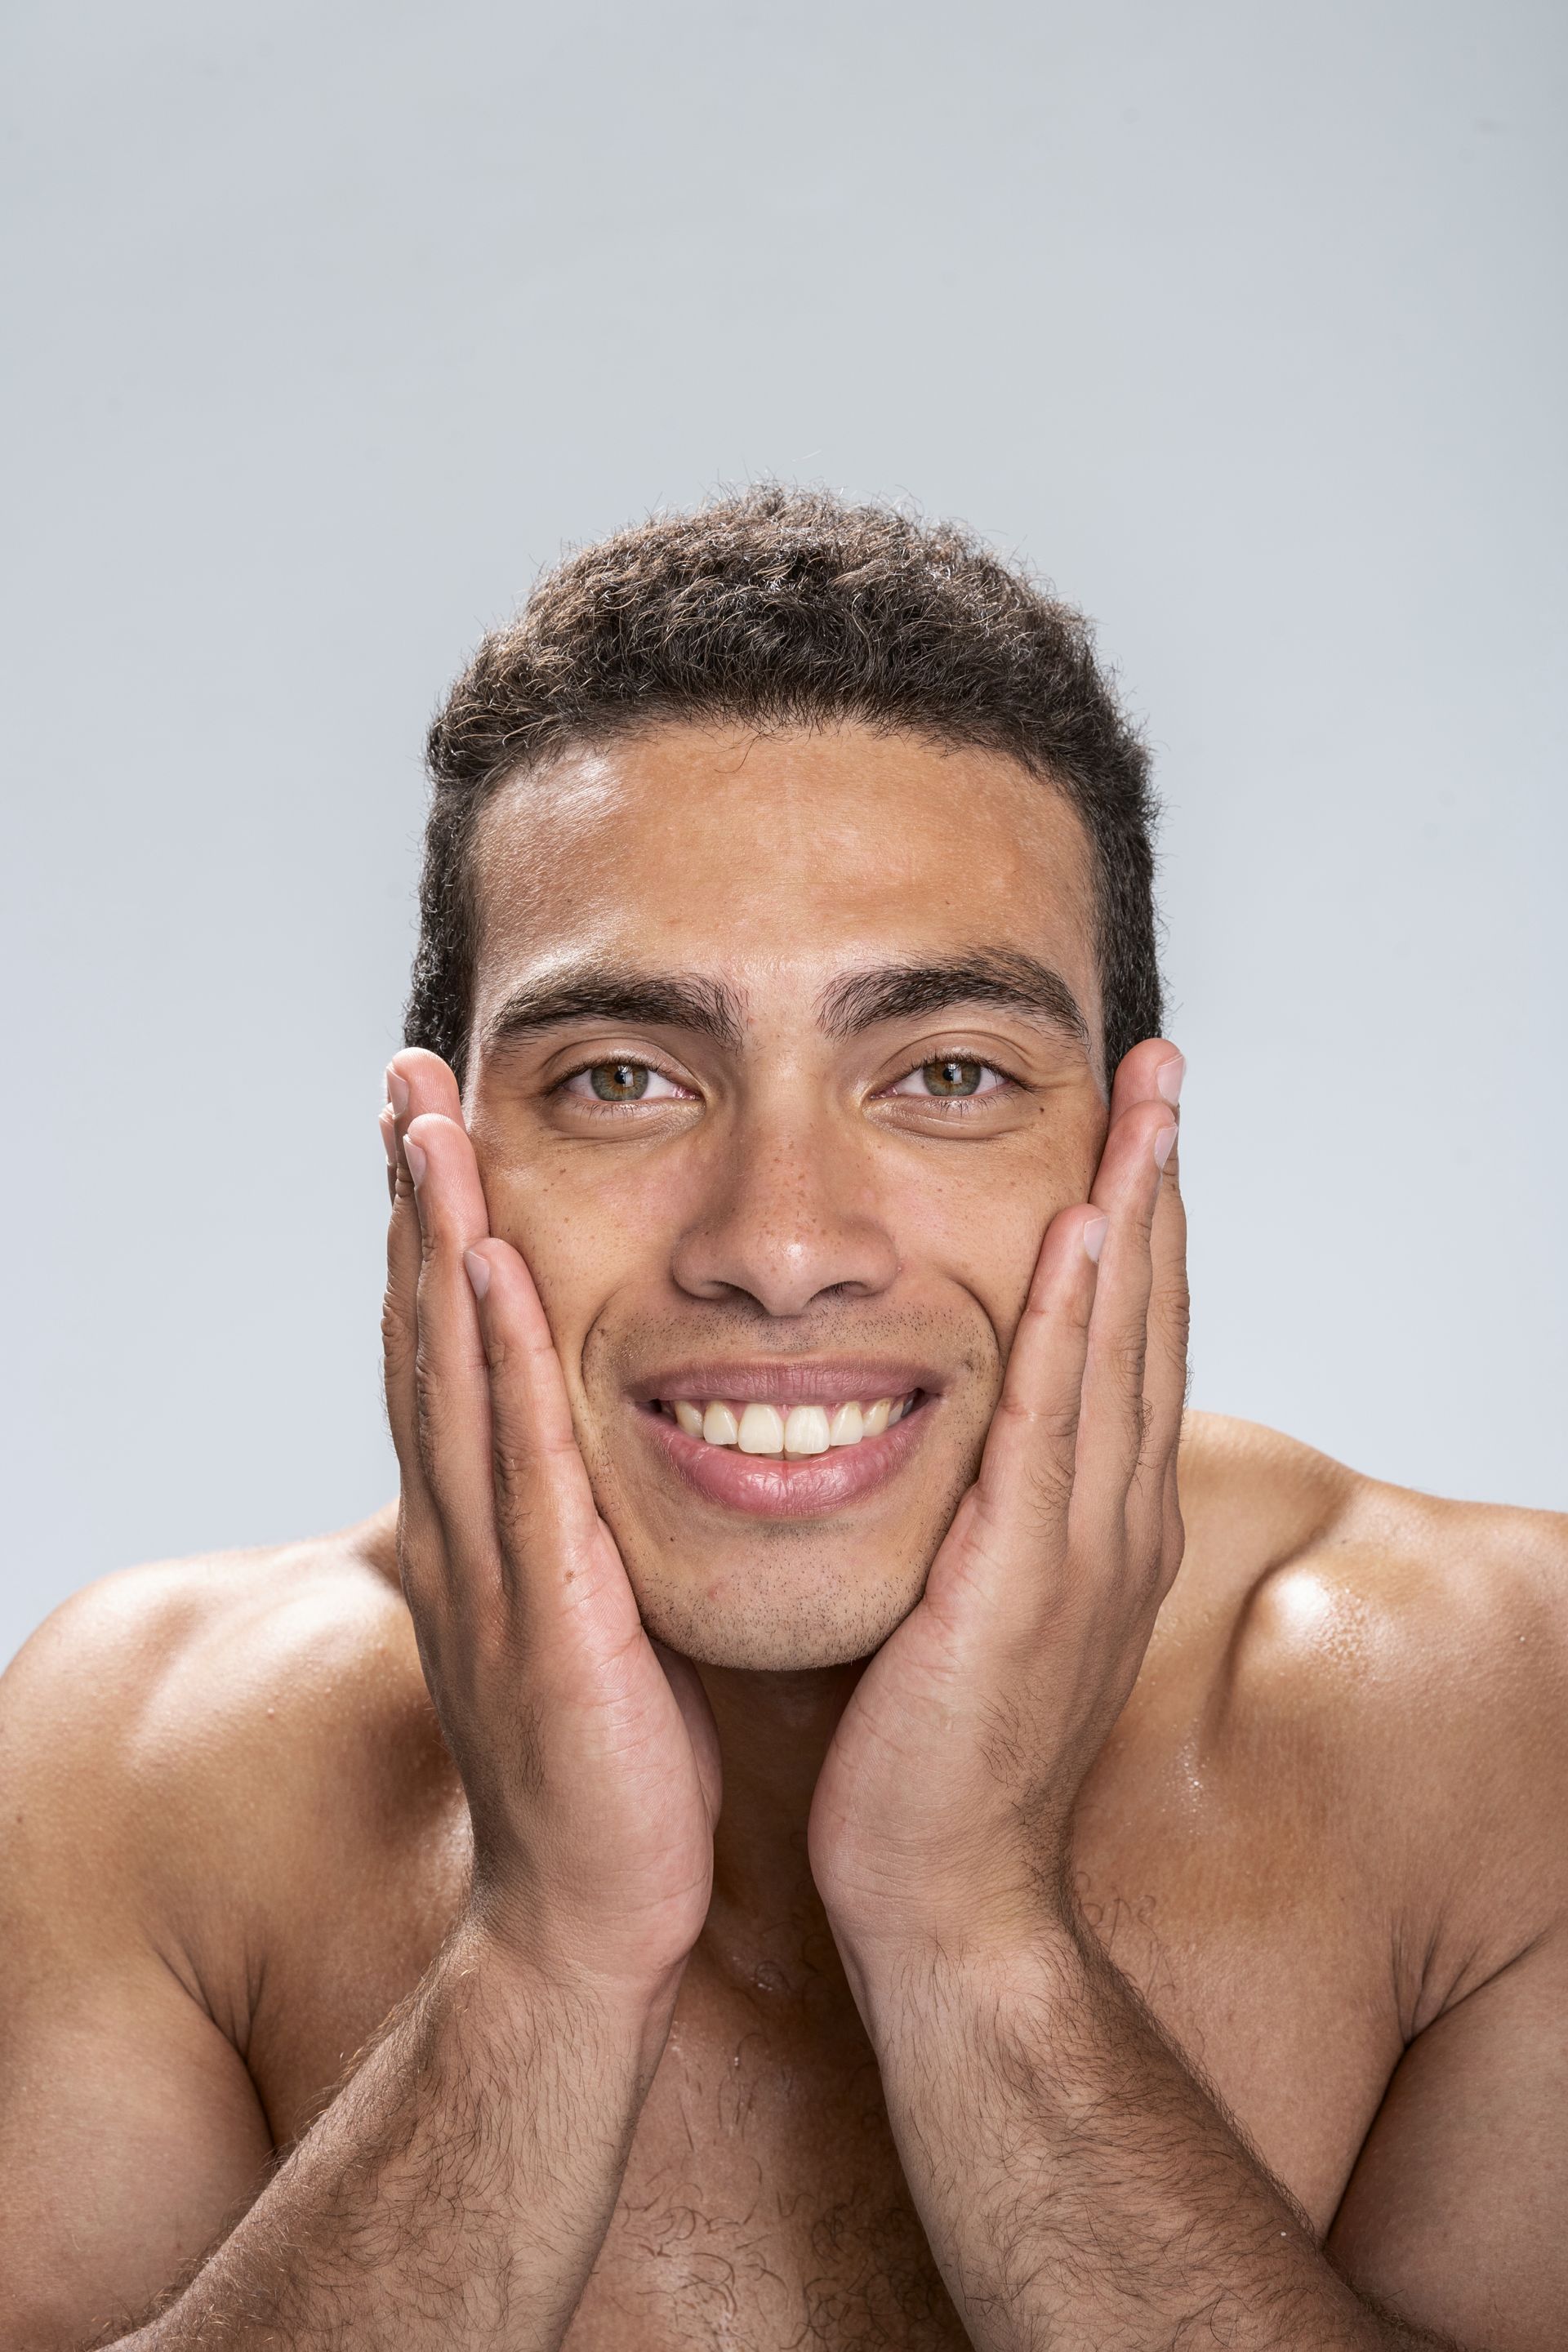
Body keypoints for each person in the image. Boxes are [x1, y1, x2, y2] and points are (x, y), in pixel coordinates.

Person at [2, 488, 1563, 2352]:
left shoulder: (1504, 1719)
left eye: (950, 1074)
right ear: (440, 1169)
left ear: (1131, 1158)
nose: (783, 1244)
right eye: (626, 1078)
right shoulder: (148, 1764)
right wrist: (548, 1959)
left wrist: (975, 1930)